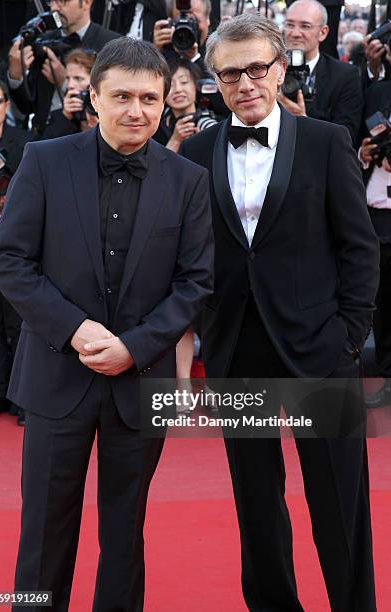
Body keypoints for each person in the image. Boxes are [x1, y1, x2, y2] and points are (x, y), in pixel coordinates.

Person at [0, 36, 213, 611]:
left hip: (140, 386)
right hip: (55, 378)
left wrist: (133, 348)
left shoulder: (188, 181)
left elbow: (195, 283)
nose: (136, 111)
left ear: (166, 103)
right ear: (94, 96)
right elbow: (10, 260)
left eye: (149, 98)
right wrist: (75, 329)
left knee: (124, 533)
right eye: (121, 97)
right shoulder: (44, 160)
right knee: (41, 535)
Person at [181, 13, 378, 612]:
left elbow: (359, 246)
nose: (245, 83)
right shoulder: (194, 150)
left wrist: (348, 335)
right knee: (257, 505)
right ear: (214, 79)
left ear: (280, 69)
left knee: (338, 503)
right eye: (230, 73)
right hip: (237, 346)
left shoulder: (324, 141)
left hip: (320, 346)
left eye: (257, 69)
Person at [0, 77, 31, 425]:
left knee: (19, 321)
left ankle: (21, 395)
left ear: (6, 106)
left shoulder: (24, 143)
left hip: (15, 244)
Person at [7, 0, 118, 134]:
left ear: (87, 3)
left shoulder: (112, 45)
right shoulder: (41, 40)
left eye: (63, 1)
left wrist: (64, 82)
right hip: (43, 138)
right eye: (51, 2)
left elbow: (115, 100)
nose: (54, 8)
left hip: (88, 138)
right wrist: (15, 73)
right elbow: (27, 105)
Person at [280, 0, 363, 146]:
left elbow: (346, 137)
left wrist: (303, 120)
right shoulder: (266, 69)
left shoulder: (345, 76)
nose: (295, 33)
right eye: (290, 25)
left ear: (323, 33)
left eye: (305, 26)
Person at [359, 77, 391, 408]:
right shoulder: (375, 92)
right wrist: (366, 153)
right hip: (377, 217)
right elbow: (356, 139)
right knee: (382, 306)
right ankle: (387, 379)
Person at [42, 48, 98, 139]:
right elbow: (44, 149)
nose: (70, 85)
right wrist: (65, 117)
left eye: (78, 78)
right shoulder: (59, 115)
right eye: (68, 78)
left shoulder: (111, 111)